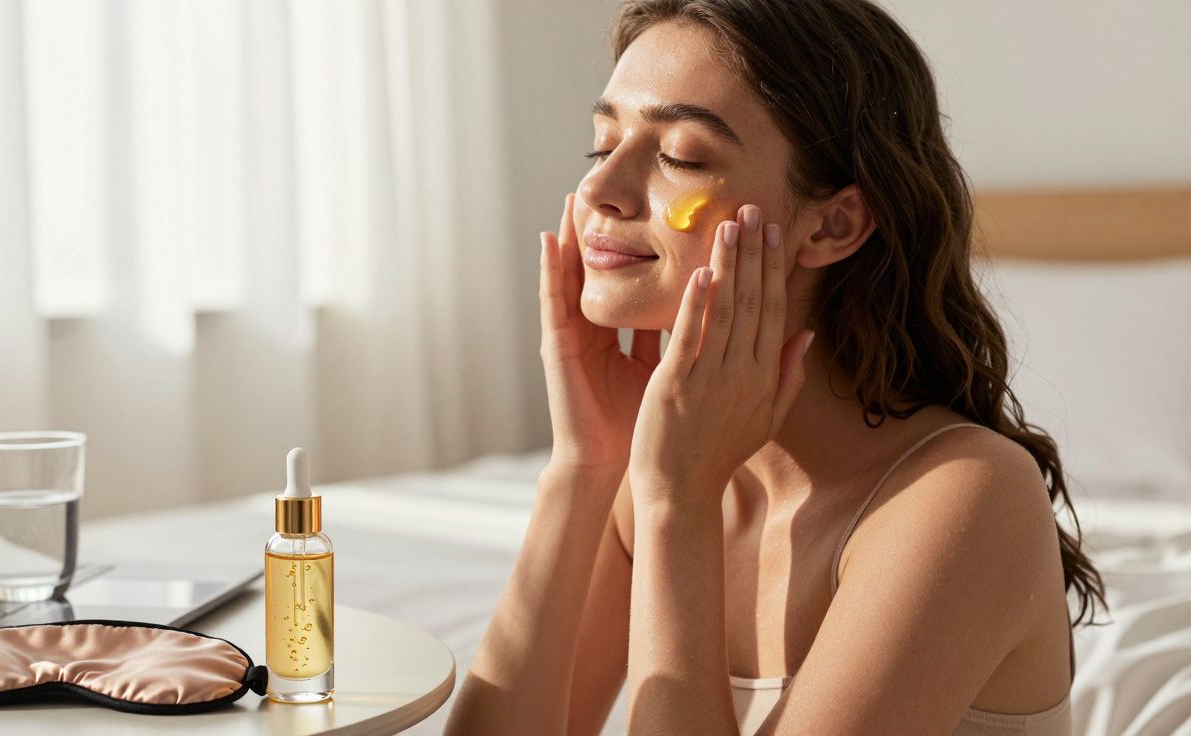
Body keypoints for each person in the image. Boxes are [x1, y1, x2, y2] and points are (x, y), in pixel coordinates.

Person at [445, 1, 1107, 733]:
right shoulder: (653, 475)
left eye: (681, 157)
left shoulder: (965, 499)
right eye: (602, 145)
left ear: (833, 224)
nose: (602, 189)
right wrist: (584, 466)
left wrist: (678, 506)